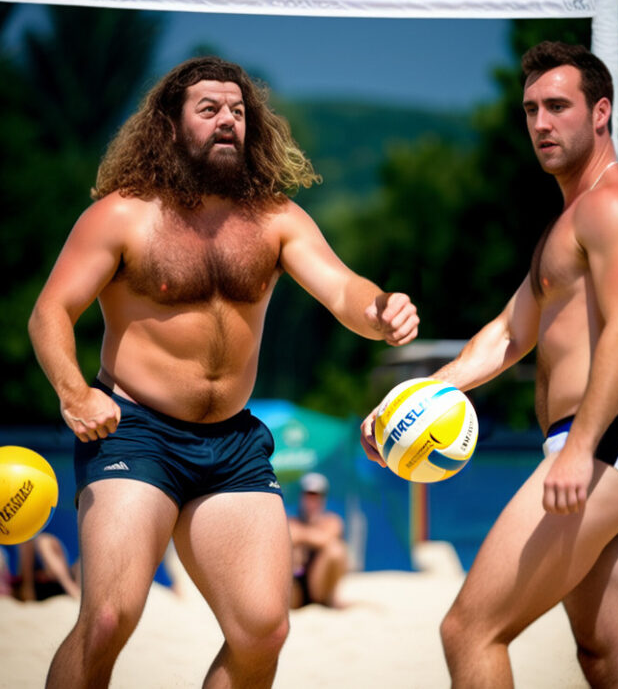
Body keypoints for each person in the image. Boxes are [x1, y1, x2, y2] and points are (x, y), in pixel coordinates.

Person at [28, 56, 419, 689]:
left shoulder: (276, 219)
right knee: (106, 618)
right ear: (170, 125)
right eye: (209, 109)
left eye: (238, 111)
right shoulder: (123, 215)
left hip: (232, 442)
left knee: (264, 630)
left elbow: (344, 290)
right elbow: (50, 312)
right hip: (134, 433)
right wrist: (74, 392)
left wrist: (381, 310)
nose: (227, 121)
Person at [361, 41, 618, 688]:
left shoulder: (616, 203)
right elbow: (507, 335)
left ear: (600, 113)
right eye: (530, 109)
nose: (540, 123)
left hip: (609, 443)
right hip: (598, 447)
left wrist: (580, 448)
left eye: (558, 105)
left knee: (469, 631)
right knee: (610, 661)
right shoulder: (566, 223)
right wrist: (402, 406)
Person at [288, 472, 348, 609]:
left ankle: (326, 600)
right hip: (296, 586)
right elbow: (291, 535)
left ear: (323, 499)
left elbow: (327, 539)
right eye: (308, 496)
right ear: (301, 497)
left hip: (319, 587)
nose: (312, 501)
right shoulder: (293, 521)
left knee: (336, 551)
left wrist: (302, 537)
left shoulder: (331, 521)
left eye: (316, 496)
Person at [5, 533, 81, 601]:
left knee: (43, 541)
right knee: (42, 542)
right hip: (31, 586)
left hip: (55, 581)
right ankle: (71, 588)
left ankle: (70, 587)